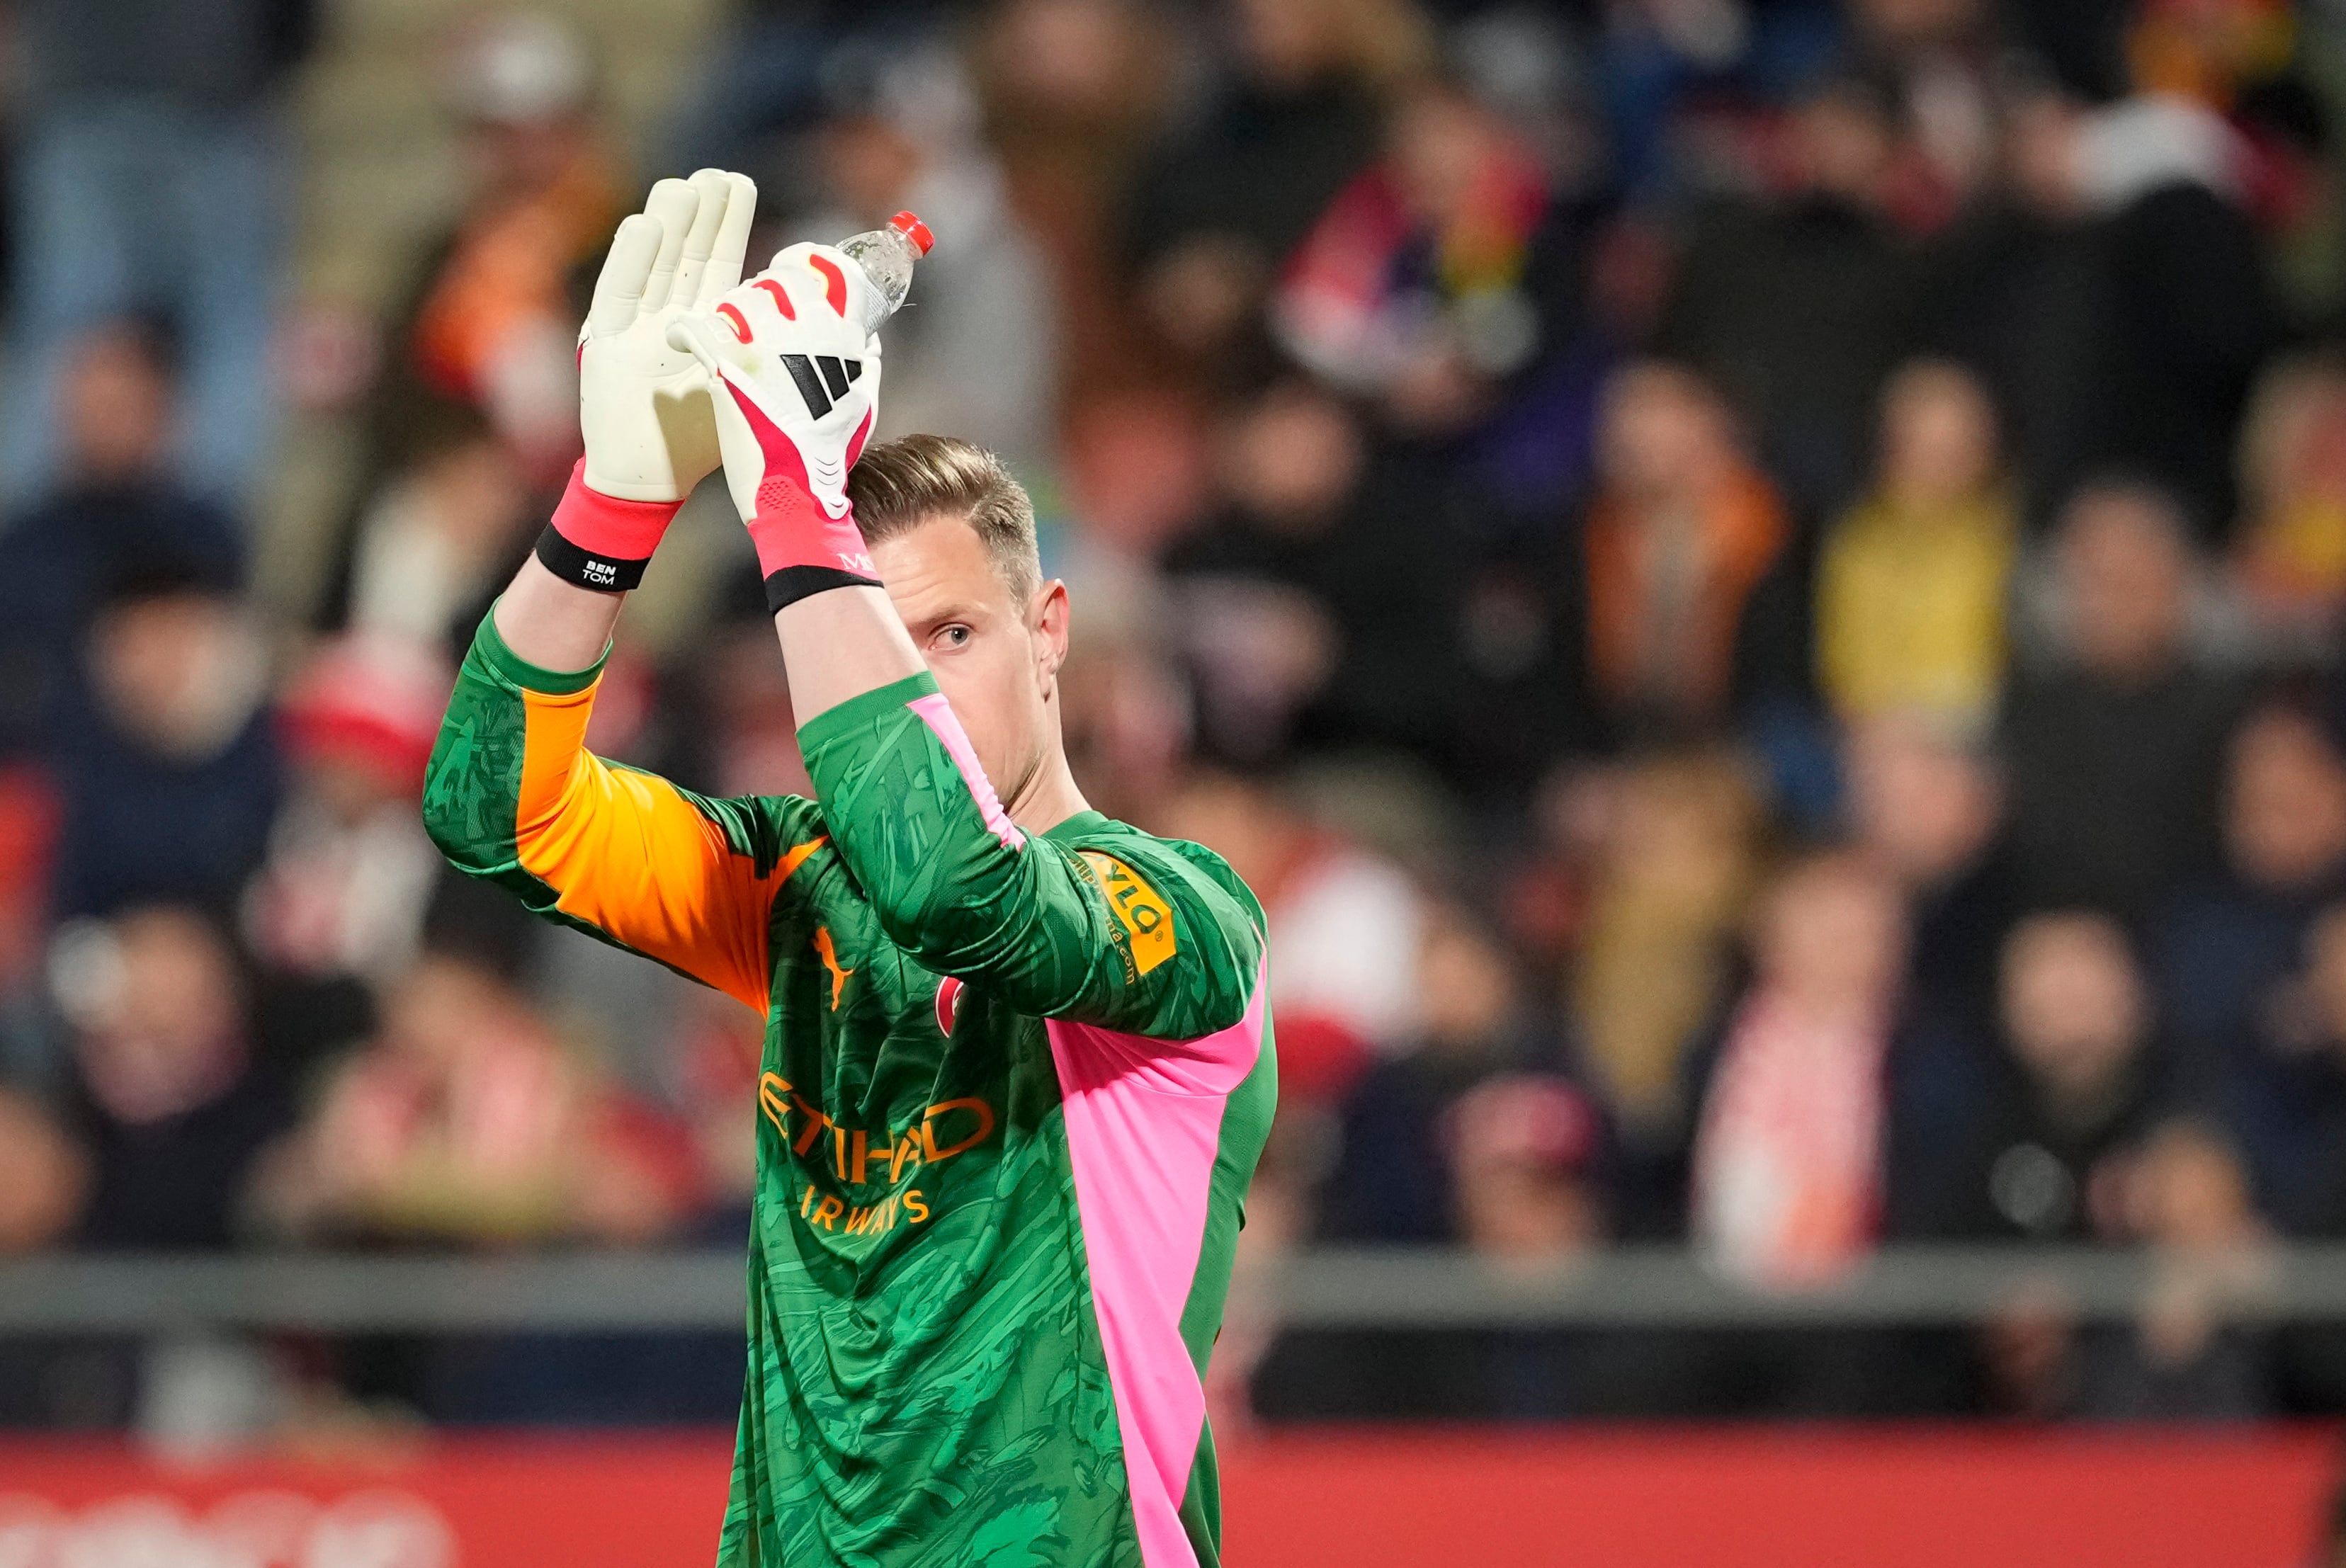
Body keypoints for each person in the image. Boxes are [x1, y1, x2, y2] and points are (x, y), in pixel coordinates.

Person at [421, 174, 1274, 1565]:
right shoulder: (803, 888)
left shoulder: (1184, 917)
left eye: (942, 636)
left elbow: (960, 887)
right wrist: (614, 503)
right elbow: (490, 813)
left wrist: (801, 519)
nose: (910, 694)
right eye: (861, 641)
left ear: (1048, 629)